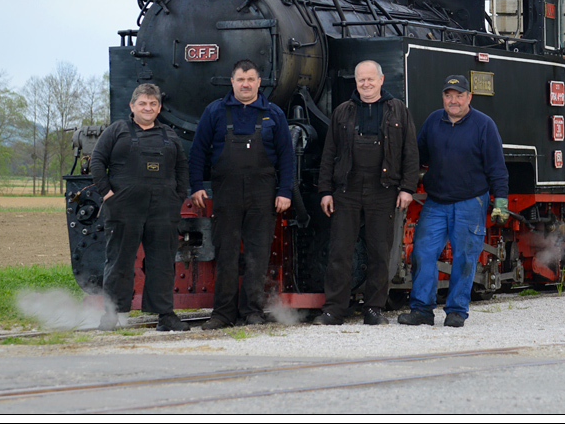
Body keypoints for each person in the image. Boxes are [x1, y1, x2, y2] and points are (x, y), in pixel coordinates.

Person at [189, 59, 295, 329]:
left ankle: (252, 312)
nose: (245, 84)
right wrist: (197, 185)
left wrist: (285, 191)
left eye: (250, 79)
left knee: (257, 255)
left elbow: (286, 156)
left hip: (263, 194)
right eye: (240, 79)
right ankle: (222, 314)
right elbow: (198, 151)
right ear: (232, 82)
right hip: (227, 193)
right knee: (225, 254)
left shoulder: (274, 114)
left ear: (259, 82)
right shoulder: (215, 111)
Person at [398, 75, 509, 328]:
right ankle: (421, 310)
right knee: (422, 254)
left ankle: (457, 311)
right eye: (448, 96)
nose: (453, 101)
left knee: (465, 258)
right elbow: (417, 157)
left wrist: (501, 201)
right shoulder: (433, 121)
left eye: (459, 95)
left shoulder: (484, 125)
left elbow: (497, 168)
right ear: (443, 98)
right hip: (436, 202)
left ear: (469, 97)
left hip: (471, 201)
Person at [314, 60, 419, 326]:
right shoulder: (342, 112)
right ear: (356, 82)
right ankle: (334, 310)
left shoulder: (398, 110)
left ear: (381, 80)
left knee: (379, 252)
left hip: (383, 188)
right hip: (347, 188)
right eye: (361, 79)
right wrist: (325, 191)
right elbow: (329, 154)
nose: (366, 83)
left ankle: (374, 309)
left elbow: (410, 152)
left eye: (371, 79)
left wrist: (407, 188)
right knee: (339, 251)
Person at [90, 83, 190, 332]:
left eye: (153, 104)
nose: (148, 108)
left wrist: (178, 197)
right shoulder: (117, 130)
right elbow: (97, 161)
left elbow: (182, 168)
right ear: (132, 106)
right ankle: (112, 314)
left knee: (163, 262)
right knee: (119, 261)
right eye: (143, 103)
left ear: (159, 108)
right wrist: (108, 195)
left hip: (163, 209)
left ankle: (165, 316)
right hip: (124, 208)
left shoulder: (169, 135)